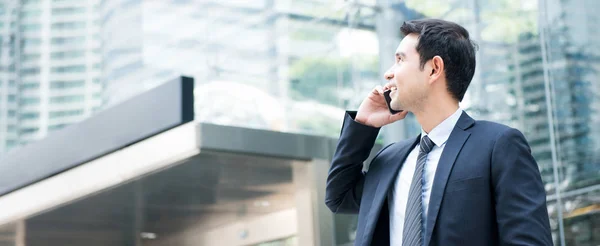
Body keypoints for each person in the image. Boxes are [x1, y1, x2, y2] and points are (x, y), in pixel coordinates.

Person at [325, 18, 553, 246]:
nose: (388, 73)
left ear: (434, 68)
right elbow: (338, 196)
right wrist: (363, 124)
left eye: (400, 60)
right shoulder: (390, 159)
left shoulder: (498, 145)